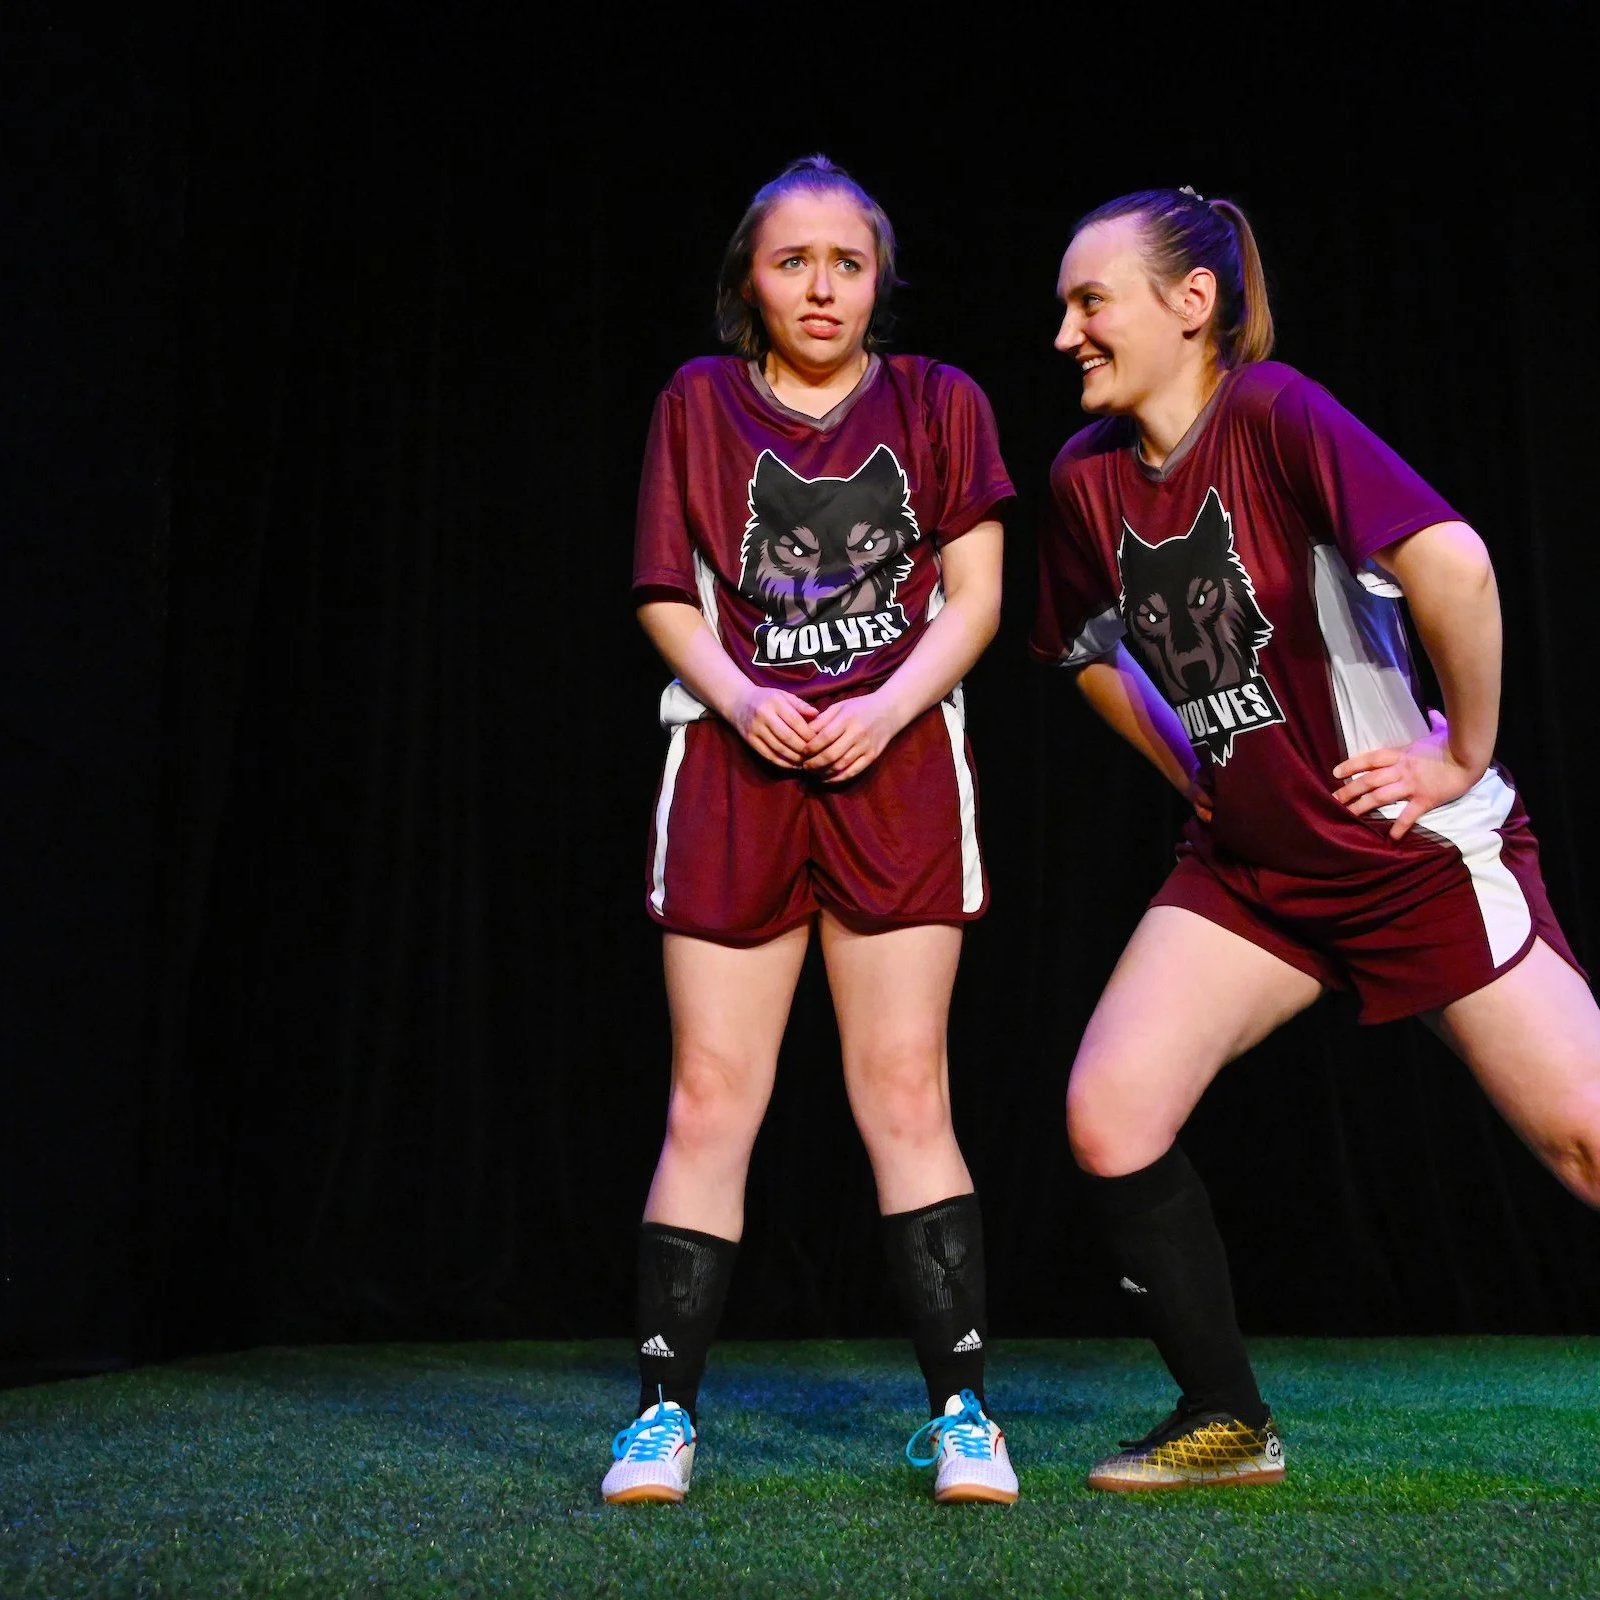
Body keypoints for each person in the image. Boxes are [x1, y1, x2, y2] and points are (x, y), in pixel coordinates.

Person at [1030, 185, 1600, 1527]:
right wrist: (1196, 771)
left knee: (1598, 1143)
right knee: (1110, 1112)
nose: (1065, 333)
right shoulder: (1086, 477)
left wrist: (1461, 756)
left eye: (1090, 301)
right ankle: (1226, 1417)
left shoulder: (1274, 414)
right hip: (1252, 874)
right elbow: (1081, 649)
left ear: (1192, 304)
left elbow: (1453, 563)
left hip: (1406, 855)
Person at [604, 155, 1017, 1508]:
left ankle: (964, 1414)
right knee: (711, 1094)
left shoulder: (940, 401)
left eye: (847, 262)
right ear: (751, 279)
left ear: (879, 277)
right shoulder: (695, 401)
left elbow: (976, 596)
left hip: (897, 771)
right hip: (735, 771)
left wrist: (886, 710)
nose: (822, 287)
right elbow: (665, 590)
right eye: (793, 262)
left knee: (904, 1088)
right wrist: (741, 696)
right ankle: (662, 1418)